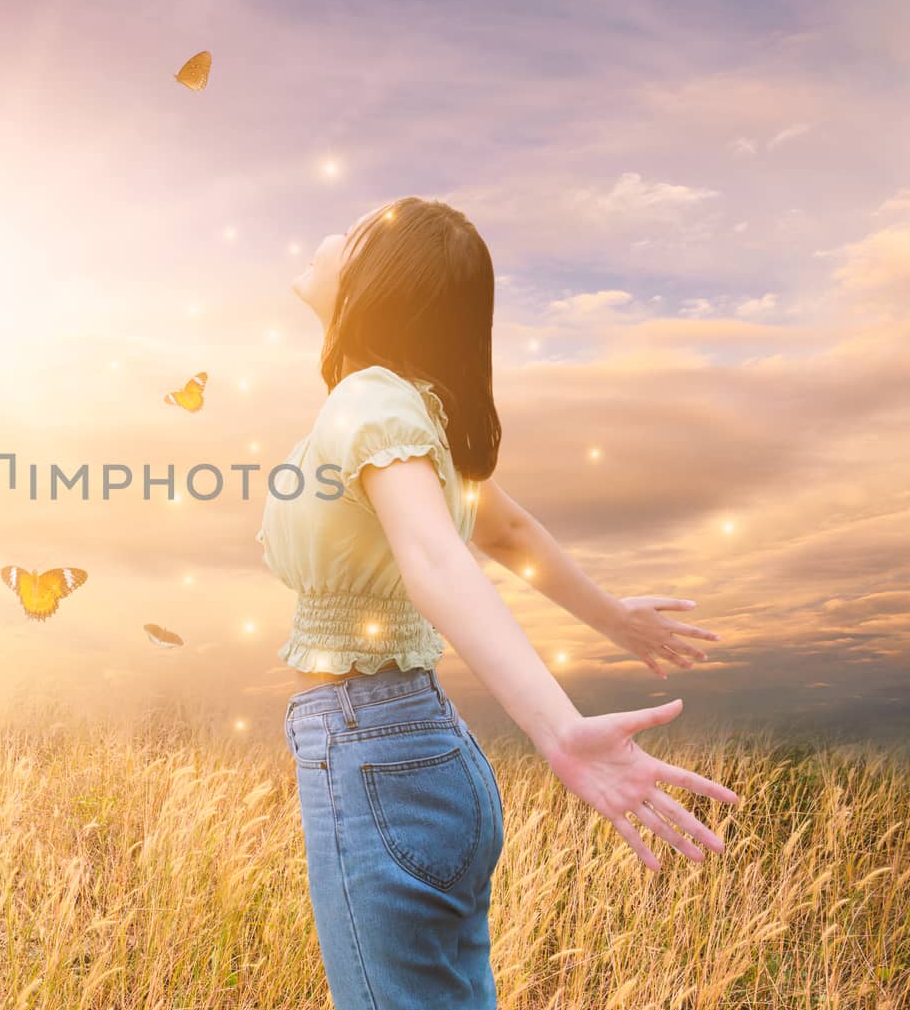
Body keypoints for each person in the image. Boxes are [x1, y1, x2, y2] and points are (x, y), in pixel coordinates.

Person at [259, 197, 741, 1009]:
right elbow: (506, 529)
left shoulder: (368, 402)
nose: (331, 233)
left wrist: (559, 730)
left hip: (375, 752)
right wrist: (613, 616)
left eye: (358, 231)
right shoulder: (413, 413)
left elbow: (436, 556)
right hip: (425, 754)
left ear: (377, 280)